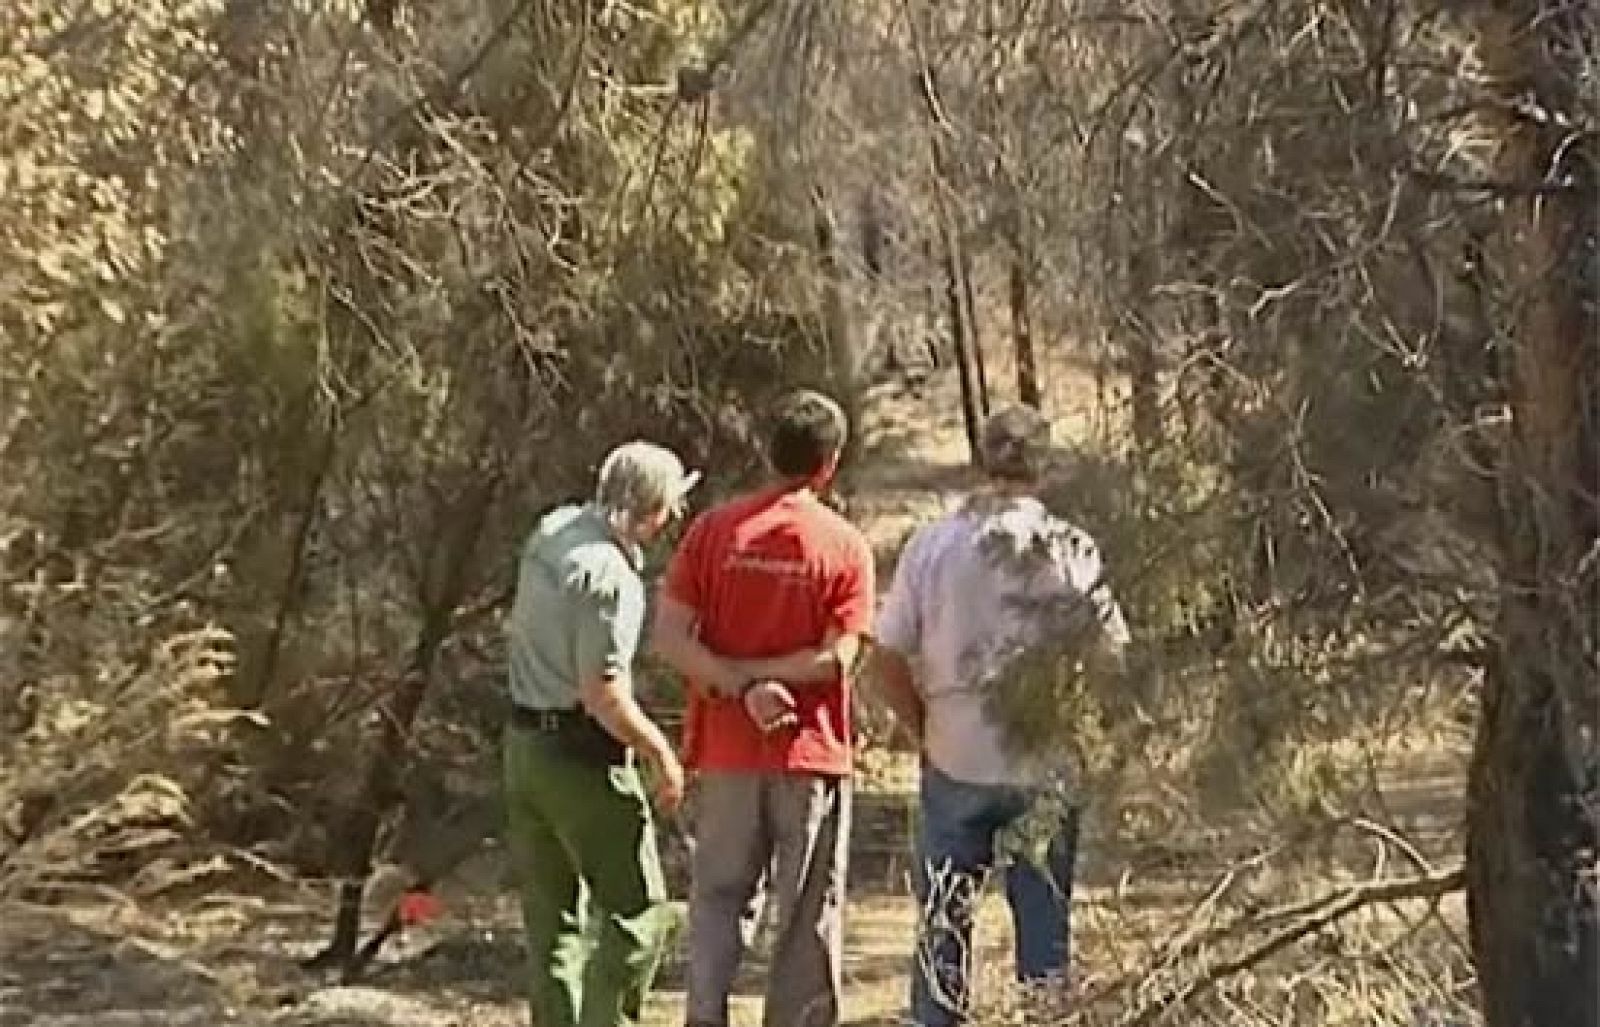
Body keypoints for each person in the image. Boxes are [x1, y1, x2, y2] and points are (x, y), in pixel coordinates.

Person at [872, 405, 1132, 1026]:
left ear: (980, 457)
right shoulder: (1069, 547)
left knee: (943, 925)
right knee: (1044, 931)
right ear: (1044, 465)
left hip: (955, 751)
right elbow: (1111, 653)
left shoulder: (932, 544)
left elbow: (884, 655)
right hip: (1042, 760)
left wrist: (920, 730)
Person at [651, 389, 876, 1027]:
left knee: (718, 898)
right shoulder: (845, 545)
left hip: (726, 752)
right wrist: (766, 682)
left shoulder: (712, 532)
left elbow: (669, 639)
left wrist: (738, 685)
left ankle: (703, 1015)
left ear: (766, 450)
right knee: (806, 907)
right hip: (809, 753)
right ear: (829, 463)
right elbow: (840, 657)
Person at [502, 440, 699, 1027]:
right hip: (577, 755)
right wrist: (660, 752)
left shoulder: (553, 530)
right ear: (653, 509)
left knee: (553, 919)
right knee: (636, 914)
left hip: (523, 747)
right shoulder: (612, 579)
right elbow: (602, 692)